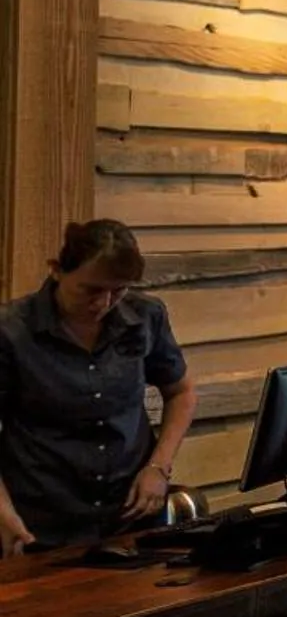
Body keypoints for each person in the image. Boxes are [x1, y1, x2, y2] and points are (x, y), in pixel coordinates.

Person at [0, 220, 194, 556]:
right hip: (42, 518)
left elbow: (181, 392)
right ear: (57, 270)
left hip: (128, 515)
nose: (103, 303)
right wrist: (2, 510)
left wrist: (158, 467)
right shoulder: (12, 331)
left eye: (118, 291)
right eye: (90, 290)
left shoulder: (145, 316)